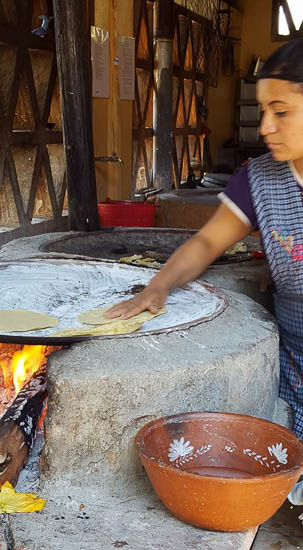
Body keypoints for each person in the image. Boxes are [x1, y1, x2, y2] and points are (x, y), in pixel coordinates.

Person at [106, 38, 303, 442]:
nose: (265, 127)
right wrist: (158, 285)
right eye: (264, 110)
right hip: (296, 361)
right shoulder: (260, 179)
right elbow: (206, 243)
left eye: (281, 112)